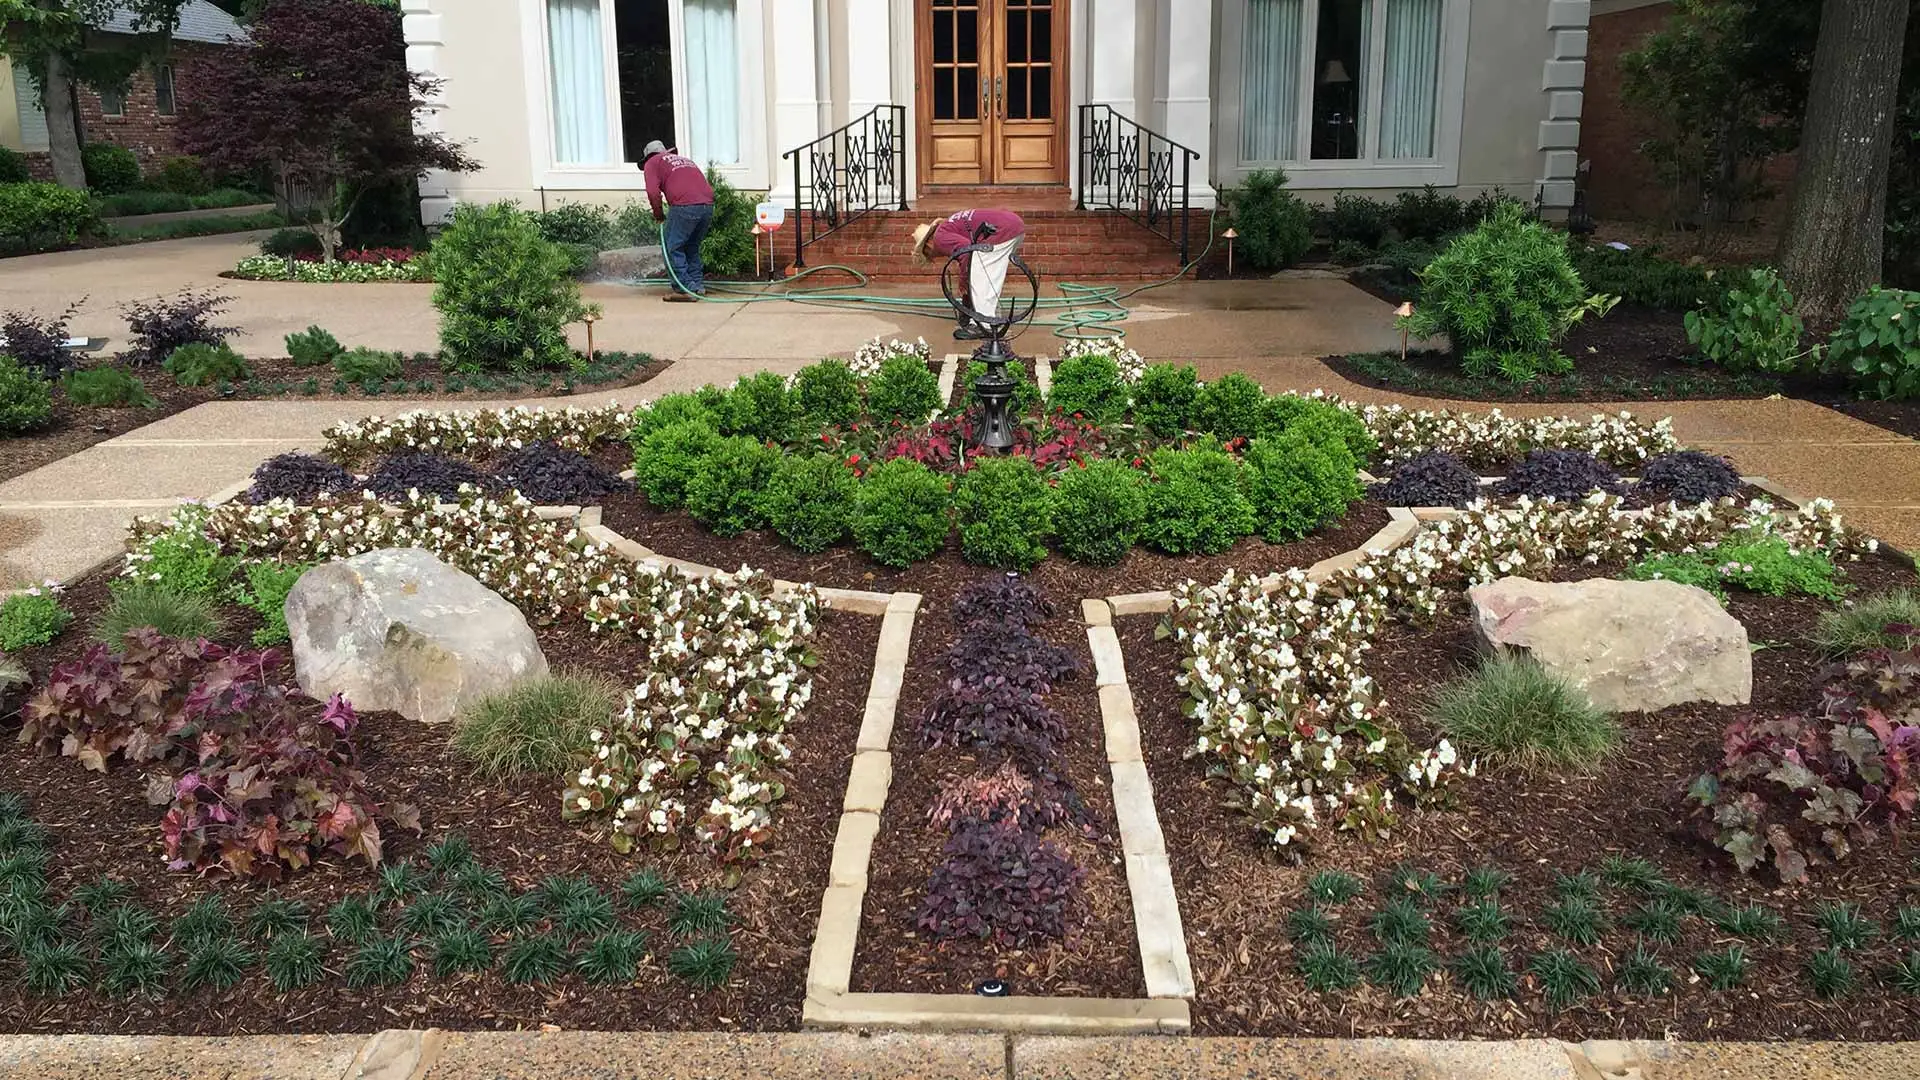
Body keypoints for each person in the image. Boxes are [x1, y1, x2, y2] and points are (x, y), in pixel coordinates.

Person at [911, 208, 1026, 340]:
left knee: (980, 274)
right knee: (989, 275)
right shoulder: (948, 227)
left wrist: (963, 281)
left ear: (928, 245)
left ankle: (982, 325)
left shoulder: (939, 239)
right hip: (1013, 225)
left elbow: (967, 251)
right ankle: (990, 317)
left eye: (927, 254)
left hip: (1001, 229)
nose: (933, 257)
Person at [642, 139, 715, 302]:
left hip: (684, 205)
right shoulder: (684, 160)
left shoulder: (652, 163)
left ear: (648, 156)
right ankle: (697, 286)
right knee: (691, 247)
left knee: (672, 246)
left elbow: (653, 193)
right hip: (707, 206)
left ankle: (683, 289)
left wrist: (658, 214)